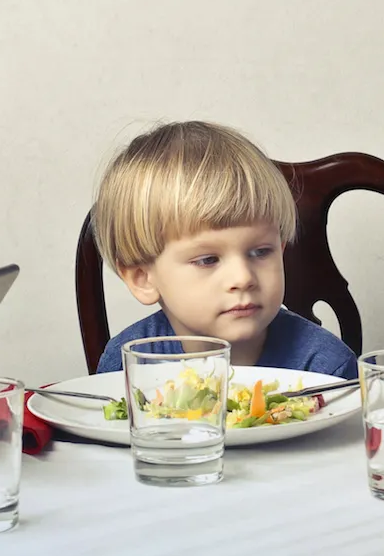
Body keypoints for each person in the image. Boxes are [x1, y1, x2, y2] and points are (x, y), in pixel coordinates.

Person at [93, 121, 359, 379]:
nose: (243, 278)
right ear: (143, 279)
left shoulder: (324, 368)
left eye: (260, 252)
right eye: (208, 259)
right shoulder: (127, 365)